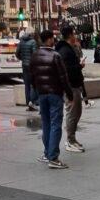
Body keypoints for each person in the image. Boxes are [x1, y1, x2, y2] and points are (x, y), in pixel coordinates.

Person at [29, 29, 74, 169]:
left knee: (46, 123)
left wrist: (37, 90)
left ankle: (47, 153)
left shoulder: (35, 55)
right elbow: (63, 77)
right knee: (55, 124)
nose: (54, 40)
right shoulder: (56, 56)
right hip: (55, 93)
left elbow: (32, 77)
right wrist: (69, 94)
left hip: (42, 94)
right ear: (49, 39)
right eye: (52, 38)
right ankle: (53, 157)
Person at [55, 24, 85, 153]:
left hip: (74, 84)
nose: (75, 36)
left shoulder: (67, 49)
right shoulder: (65, 50)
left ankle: (72, 138)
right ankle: (70, 140)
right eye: (74, 34)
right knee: (72, 112)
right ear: (70, 36)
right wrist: (79, 66)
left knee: (76, 112)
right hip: (71, 86)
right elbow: (67, 70)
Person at [16, 29, 38, 112]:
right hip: (32, 66)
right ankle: (32, 102)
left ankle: (27, 102)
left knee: (27, 85)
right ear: (31, 34)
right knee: (33, 84)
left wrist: (22, 59)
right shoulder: (33, 42)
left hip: (24, 65)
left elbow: (17, 53)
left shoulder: (21, 42)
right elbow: (35, 54)